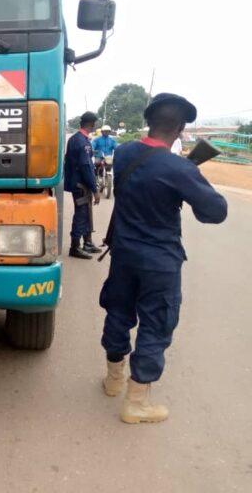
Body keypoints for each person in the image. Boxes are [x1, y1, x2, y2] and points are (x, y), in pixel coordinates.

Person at [99, 93, 227, 424]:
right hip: (159, 262)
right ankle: (136, 402)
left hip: (123, 254)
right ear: (181, 128)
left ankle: (113, 380)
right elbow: (215, 212)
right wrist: (191, 177)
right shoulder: (179, 167)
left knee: (118, 311)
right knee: (156, 325)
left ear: (148, 121)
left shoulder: (124, 152)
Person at [64, 111, 101, 259]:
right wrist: (95, 188)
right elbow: (86, 166)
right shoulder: (82, 142)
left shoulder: (76, 139)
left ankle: (87, 243)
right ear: (91, 125)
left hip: (79, 183)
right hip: (81, 185)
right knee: (82, 214)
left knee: (86, 213)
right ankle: (75, 247)